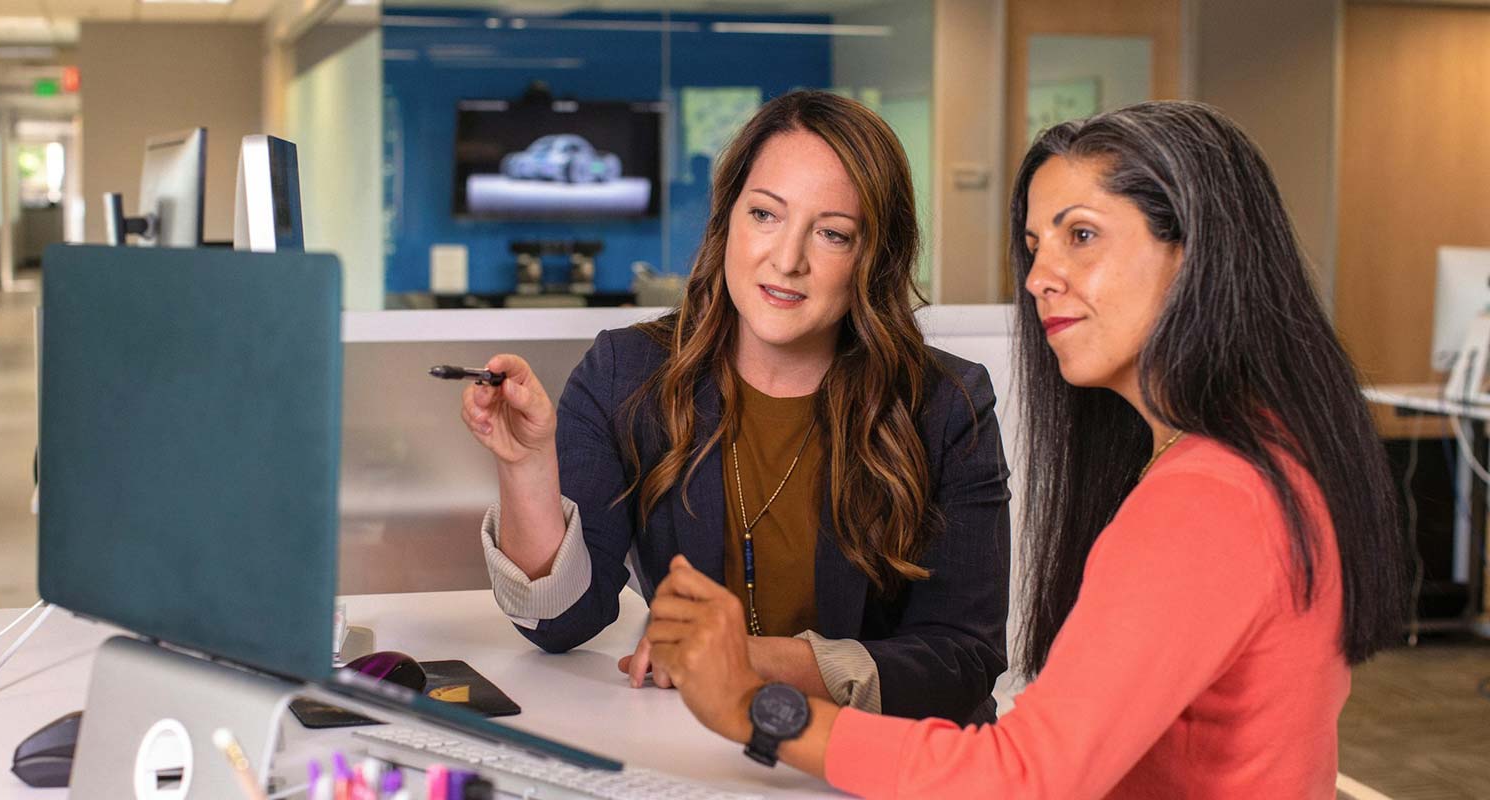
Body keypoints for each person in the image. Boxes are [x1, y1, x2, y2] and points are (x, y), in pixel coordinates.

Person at [644, 100, 1412, 797]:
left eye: (1082, 236)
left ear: (1195, 253)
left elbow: (1027, 778)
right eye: (1035, 245)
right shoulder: (1265, 451)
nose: (1042, 277)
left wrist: (756, 711)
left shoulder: (1210, 496)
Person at [457, 90, 1012, 723]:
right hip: (700, 753)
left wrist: (748, 659)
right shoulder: (627, 374)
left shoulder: (947, 404)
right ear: (728, 221)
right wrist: (527, 464)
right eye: (765, 215)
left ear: (873, 258)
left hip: (882, 764)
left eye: (832, 233)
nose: (787, 259)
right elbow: (561, 622)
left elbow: (961, 660)